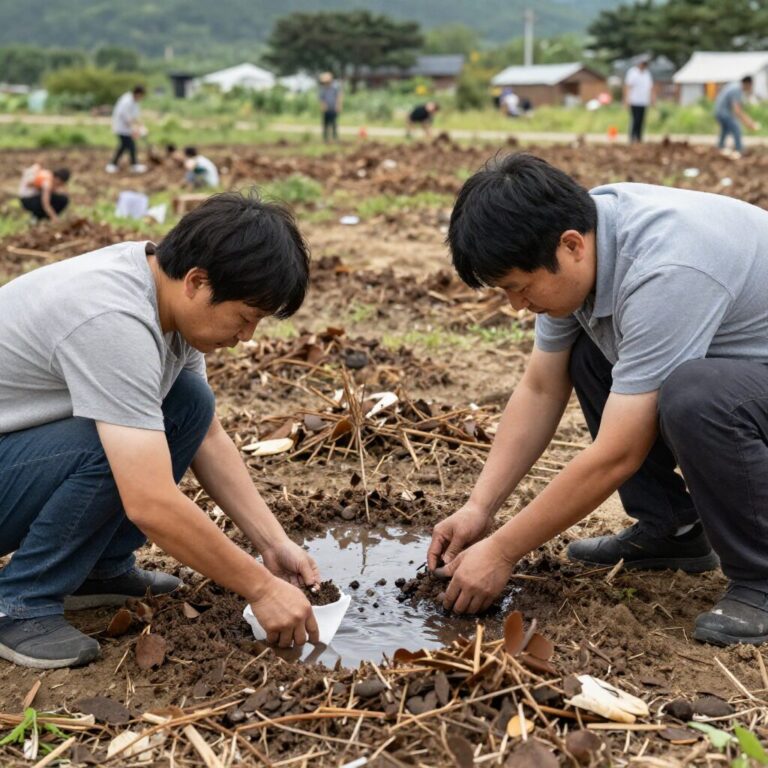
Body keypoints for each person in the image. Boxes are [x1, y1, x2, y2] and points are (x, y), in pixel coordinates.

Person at [430, 153, 768, 647]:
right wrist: (479, 508)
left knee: (696, 397)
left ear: (571, 247)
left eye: (519, 289)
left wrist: (502, 552)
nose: (517, 307)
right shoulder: (581, 241)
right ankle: (671, 529)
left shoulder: (665, 270)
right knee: (589, 354)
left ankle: (761, 575)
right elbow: (541, 387)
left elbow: (618, 453)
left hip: (743, 381)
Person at [0, 192, 320, 669]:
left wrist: (273, 545)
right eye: (246, 317)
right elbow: (148, 499)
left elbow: (206, 436)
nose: (247, 336)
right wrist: (259, 587)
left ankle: (97, 569)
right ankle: (19, 603)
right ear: (197, 282)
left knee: (187, 404)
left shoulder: (165, 298)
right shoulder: (114, 319)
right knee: (113, 446)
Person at [106, 84, 147, 174]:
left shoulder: (135, 102)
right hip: (121, 127)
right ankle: (131, 165)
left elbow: (135, 116)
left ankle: (114, 164)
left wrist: (141, 126)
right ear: (138, 94)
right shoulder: (126, 101)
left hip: (127, 128)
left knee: (125, 146)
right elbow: (125, 117)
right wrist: (135, 129)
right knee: (129, 146)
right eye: (141, 96)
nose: (141, 98)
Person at [714, 76, 760, 157]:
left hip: (719, 111)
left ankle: (719, 148)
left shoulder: (734, 86)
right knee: (736, 127)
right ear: (748, 84)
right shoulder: (737, 90)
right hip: (723, 112)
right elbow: (737, 110)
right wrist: (749, 123)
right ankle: (740, 149)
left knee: (725, 130)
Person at [623, 56, 654, 143]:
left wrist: (652, 99)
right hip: (634, 101)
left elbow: (650, 87)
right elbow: (628, 86)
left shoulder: (647, 74)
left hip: (643, 101)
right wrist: (626, 99)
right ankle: (632, 138)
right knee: (635, 120)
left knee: (641, 120)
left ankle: (639, 138)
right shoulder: (632, 73)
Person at [318, 72, 342, 143]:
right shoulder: (322, 89)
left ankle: (335, 137)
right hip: (326, 109)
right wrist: (323, 106)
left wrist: (338, 105)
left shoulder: (334, 88)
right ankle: (325, 138)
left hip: (333, 109)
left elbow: (338, 97)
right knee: (325, 124)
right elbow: (321, 99)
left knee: (334, 124)